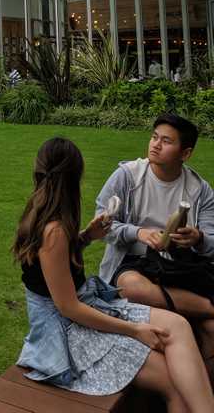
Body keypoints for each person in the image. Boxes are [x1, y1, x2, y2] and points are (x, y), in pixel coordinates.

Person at [14, 137, 214, 411]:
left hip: (83, 308)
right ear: (75, 175)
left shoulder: (48, 213)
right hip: (67, 332)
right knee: (173, 386)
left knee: (177, 325)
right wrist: (135, 330)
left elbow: (53, 265)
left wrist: (86, 237)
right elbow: (68, 307)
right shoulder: (54, 231)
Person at [96, 114, 214, 332]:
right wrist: (137, 233)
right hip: (132, 263)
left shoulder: (200, 190)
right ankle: (206, 307)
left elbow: (211, 244)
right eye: (154, 137)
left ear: (185, 153)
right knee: (131, 287)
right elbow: (101, 227)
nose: (156, 145)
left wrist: (198, 238)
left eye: (166, 141)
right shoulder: (127, 177)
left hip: (178, 266)